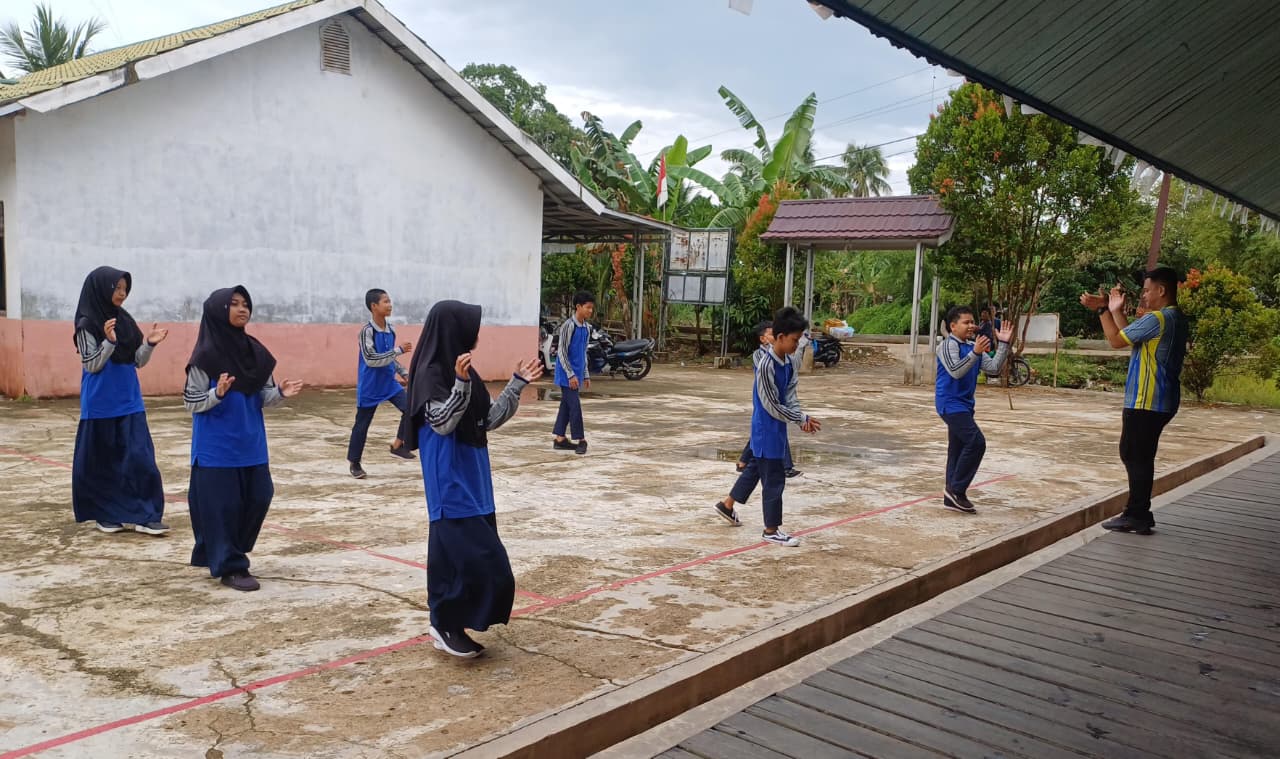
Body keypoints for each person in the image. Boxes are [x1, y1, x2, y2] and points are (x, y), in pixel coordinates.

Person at [401, 300, 543, 657]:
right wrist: (460, 384)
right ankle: (445, 622)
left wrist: (515, 385)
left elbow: (488, 420)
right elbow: (442, 421)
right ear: (453, 329)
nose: (475, 333)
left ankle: (446, 623)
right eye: (470, 326)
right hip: (450, 482)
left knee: (451, 562)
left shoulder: (465, 372)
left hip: (475, 480)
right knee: (487, 563)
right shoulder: (431, 373)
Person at [183, 286, 303, 591]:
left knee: (260, 495)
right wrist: (217, 393)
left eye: (245, 304)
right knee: (223, 507)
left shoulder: (255, 352)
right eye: (233, 304)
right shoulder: (204, 357)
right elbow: (191, 401)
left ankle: (230, 550)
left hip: (251, 443)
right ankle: (231, 565)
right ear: (218, 310)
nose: (241, 309)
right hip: (216, 447)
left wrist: (280, 394)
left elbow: (262, 396)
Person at [1080, 267, 1187, 534]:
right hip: (1162, 398)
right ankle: (1137, 511)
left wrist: (1107, 310)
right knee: (1138, 454)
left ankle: (1138, 513)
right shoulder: (1175, 318)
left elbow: (1116, 341)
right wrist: (1109, 309)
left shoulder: (1158, 319)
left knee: (1135, 454)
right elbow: (1130, 336)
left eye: (1147, 291)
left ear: (1161, 291)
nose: (1144, 297)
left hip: (1146, 398)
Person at [70, 266, 171, 535]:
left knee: (140, 459)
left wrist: (149, 344)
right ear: (101, 288)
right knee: (104, 463)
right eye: (117, 288)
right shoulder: (87, 322)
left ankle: (146, 514)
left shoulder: (124, 320)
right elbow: (91, 364)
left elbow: (137, 360)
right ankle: (106, 514)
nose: (122, 294)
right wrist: (109, 341)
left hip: (129, 401)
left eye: (125, 288)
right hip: (100, 404)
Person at [713, 306, 819, 546]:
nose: (797, 344)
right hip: (765, 429)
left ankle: (726, 505)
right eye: (794, 340)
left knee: (755, 470)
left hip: (777, 429)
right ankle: (771, 530)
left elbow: (790, 395)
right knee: (774, 480)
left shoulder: (789, 363)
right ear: (780, 338)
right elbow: (771, 404)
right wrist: (798, 418)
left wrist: (800, 416)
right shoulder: (765, 366)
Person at [935, 305, 1014, 514]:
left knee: (958, 448)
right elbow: (955, 371)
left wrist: (1004, 343)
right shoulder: (946, 345)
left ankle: (951, 495)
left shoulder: (973, 345)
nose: (972, 326)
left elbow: (994, 369)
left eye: (973, 322)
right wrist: (975, 353)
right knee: (976, 442)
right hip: (949, 404)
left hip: (965, 405)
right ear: (953, 326)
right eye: (966, 322)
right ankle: (957, 490)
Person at [347, 288, 414, 479]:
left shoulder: (391, 330)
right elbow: (371, 359)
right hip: (370, 385)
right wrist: (398, 351)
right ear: (373, 306)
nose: (390, 304)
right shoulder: (366, 332)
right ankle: (355, 463)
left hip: (389, 383)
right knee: (362, 425)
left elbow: (390, 359)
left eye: (389, 300)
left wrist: (404, 373)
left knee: (410, 407)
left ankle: (398, 445)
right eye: (385, 301)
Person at [734, 320, 799, 477]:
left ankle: (744, 462)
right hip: (765, 399)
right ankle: (785, 467)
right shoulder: (760, 356)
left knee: (766, 432)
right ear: (762, 339)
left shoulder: (783, 357)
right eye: (771, 334)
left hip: (777, 398)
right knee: (769, 430)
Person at [551, 291, 594, 455]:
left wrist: (586, 374)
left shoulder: (587, 328)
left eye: (591, 308)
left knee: (566, 406)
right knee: (574, 406)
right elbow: (561, 352)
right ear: (578, 307)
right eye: (588, 307)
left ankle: (560, 439)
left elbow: (583, 353)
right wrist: (570, 375)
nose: (590, 311)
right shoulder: (568, 326)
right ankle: (580, 439)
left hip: (577, 373)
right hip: (567, 375)